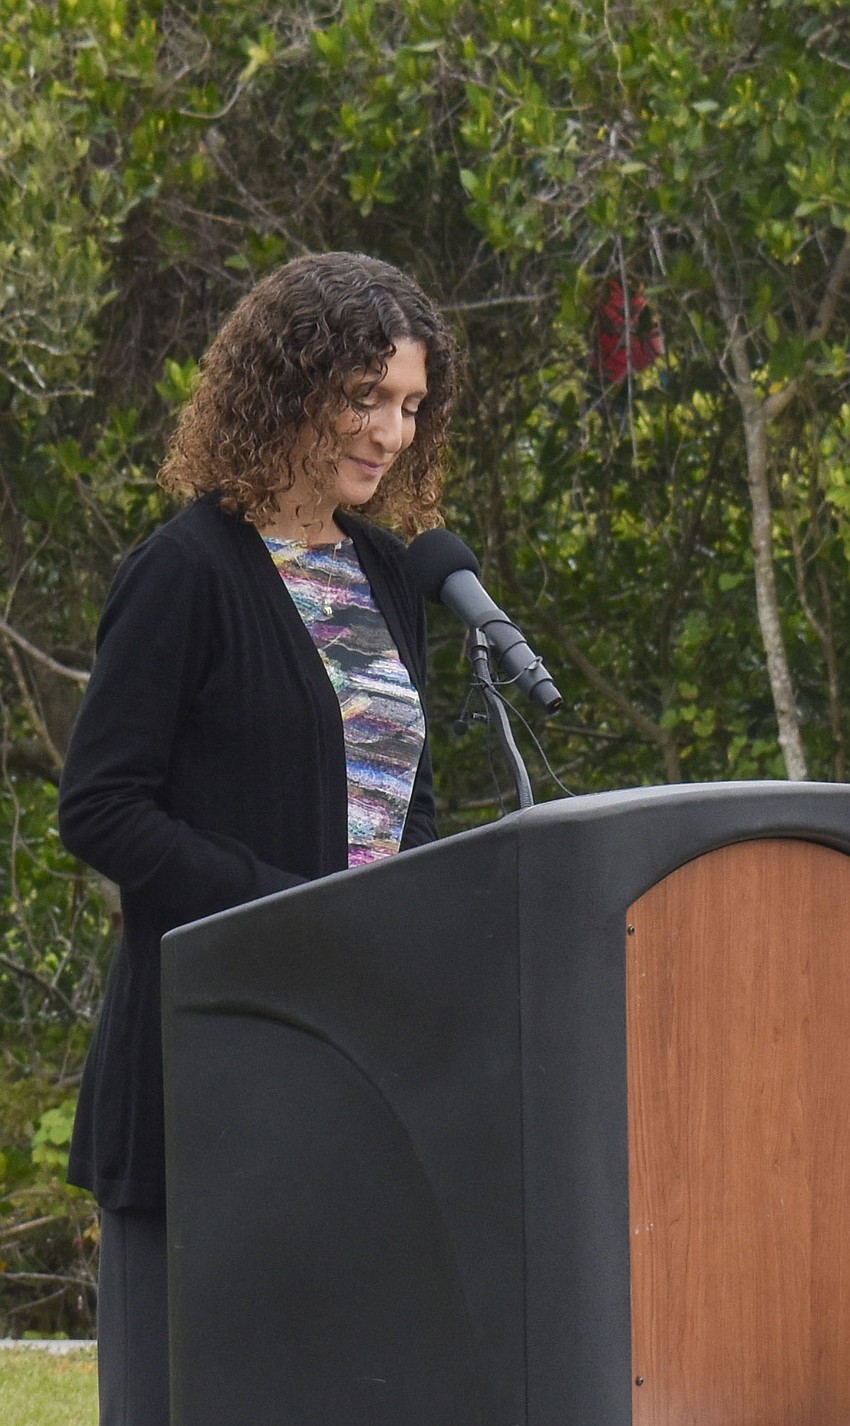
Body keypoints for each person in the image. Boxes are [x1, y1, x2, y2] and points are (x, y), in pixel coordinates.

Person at [58, 251, 459, 1426]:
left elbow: (404, 802)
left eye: (410, 406)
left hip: (352, 1061)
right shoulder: (185, 569)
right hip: (206, 1064)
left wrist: (413, 922)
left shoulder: (388, 573)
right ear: (287, 385)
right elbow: (102, 805)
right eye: (364, 396)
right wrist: (289, 910)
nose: (389, 432)